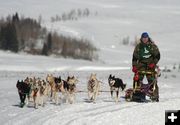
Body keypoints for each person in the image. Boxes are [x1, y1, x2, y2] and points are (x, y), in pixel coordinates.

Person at [132, 32, 160, 101]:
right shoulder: (138, 46)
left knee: (152, 80)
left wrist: (153, 63)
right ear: (141, 38)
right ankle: (137, 94)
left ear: (148, 38)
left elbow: (157, 56)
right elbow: (134, 57)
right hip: (141, 64)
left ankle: (154, 95)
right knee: (137, 78)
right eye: (143, 38)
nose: (144, 39)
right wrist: (134, 66)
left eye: (146, 38)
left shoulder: (152, 46)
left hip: (150, 64)